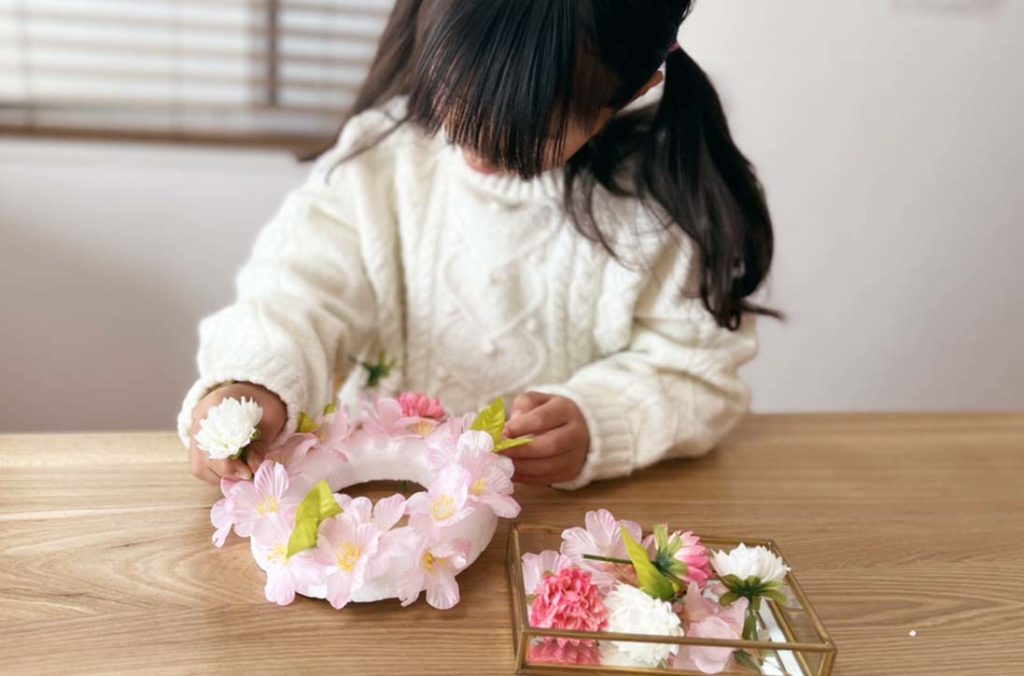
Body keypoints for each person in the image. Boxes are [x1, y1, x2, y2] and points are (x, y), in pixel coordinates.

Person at [179, 0, 776, 490]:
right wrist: (255, 381)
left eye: (528, 132)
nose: (476, 146)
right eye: (455, 98)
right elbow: (295, 292)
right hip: (381, 500)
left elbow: (697, 373)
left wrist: (600, 422)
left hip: (548, 526)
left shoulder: (660, 206)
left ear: (631, 89)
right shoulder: (383, 160)